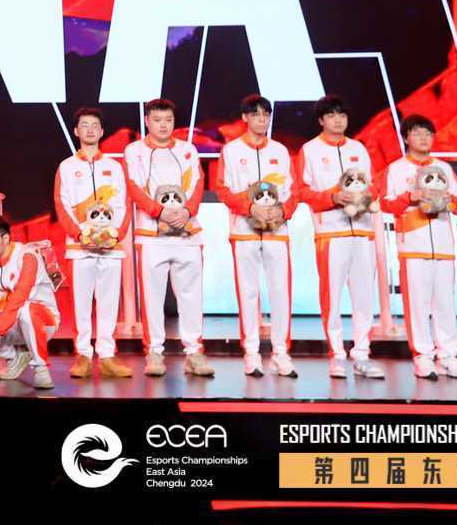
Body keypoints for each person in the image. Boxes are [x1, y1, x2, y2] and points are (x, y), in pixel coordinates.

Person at [295, 95, 386, 380]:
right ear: (321, 120)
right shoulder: (310, 150)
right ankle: (336, 355)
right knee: (332, 297)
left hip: (363, 231)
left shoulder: (358, 148)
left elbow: (374, 185)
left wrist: (366, 196)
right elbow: (302, 190)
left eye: (342, 115)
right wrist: (332, 197)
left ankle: (362, 354)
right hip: (331, 233)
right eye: (332, 115)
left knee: (364, 297)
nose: (338, 120)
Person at [124, 98, 213, 378]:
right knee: (152, 297)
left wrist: (187, 211)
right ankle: (154, 352)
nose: (163, 125)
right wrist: (160, 211)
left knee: (191, 295)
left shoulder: (187, 149)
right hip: (152, 236)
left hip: (187, 233)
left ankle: (194, 352)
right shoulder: (135, 151)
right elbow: (133, 187)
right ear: (147, 121)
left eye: (168, 120)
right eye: (157, 120)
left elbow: (198, 183)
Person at [214, 95, 299, 378]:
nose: (262, 120)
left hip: (277, 232)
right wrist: (249, 208)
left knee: (280, 292)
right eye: (256, 115)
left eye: (266, 115)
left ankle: (281, 353)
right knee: (248, 293)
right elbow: (223, 189)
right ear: (245, 118)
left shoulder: (281, 151)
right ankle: (251, 353)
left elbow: (293, 190)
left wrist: (282, 212)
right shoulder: (231, 151)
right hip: (244, 231)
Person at [381, 114, 457, 381]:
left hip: (443, 245)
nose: (423, 138)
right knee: (417, 304)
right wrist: (412, 196)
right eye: (417, 133)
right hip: (412, 246)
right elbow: (386, 203)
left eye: (428, 134)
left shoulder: (443, 168)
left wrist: (446, 200)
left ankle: (448, 355)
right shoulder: (396, 169)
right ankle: (422, 356)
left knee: (445, 304)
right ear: (406, 138)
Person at [53, 105, 131, 379]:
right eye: (84, 125)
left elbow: (123, 204)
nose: (90, 130)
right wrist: (81, 235)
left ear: (101, 131)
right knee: (81, 304)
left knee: (109, 303)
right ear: (76, 131)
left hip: (111, 249)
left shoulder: (114, 167)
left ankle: (107, 355)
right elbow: (61, 204)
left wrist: (114, 235)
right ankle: (83, 355)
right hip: (80, 249)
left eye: (94, 125)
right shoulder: (67, 166)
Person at [0, 214, 55, 391]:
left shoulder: (27, 256)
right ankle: (15, 356)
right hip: (8, 322)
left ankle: (41, 367)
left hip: (42, 321)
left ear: (5, 238)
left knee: (26, 309)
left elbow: (20, 296)